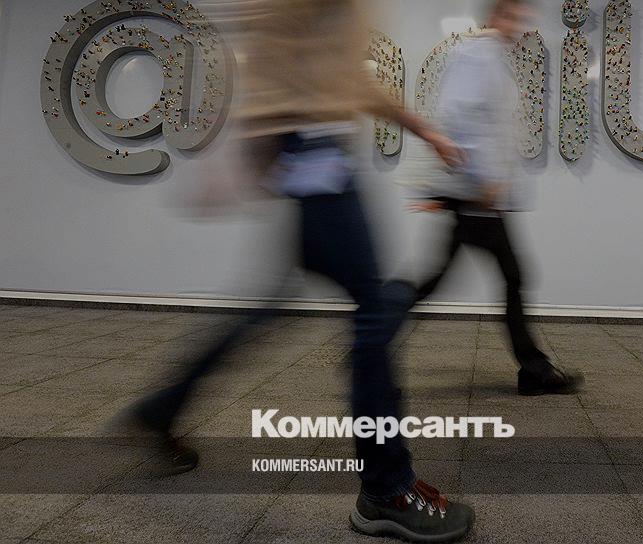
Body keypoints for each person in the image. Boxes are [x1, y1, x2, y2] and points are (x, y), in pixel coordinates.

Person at [127, 1, 474, 541]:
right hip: (315, 152)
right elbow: (270, 40)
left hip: (317, 151)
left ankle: (163, 406)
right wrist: (253, 148)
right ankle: (385, 489)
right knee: (373, 316)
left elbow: (348, 79)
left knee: (276, 309)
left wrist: (425, 131)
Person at [387, 0, 583, 396]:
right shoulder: (479, 55)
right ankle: (534, 370)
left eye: (521, 18)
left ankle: (374, 337)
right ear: (494, 16)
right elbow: (461, 116)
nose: (518, 25)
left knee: (448, 278)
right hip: (479, 194)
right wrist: (486, 179)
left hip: (478, 193)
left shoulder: (488, 56)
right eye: (512, 16)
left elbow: (481, 123)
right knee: (508, 276)